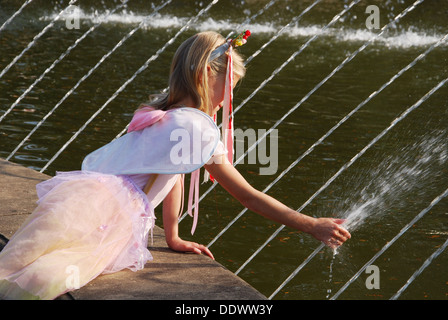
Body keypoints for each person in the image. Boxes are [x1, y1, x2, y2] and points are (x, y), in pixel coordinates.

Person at [0, 31, 350, 300]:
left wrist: (172, 236)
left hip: (80, 200)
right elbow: (247, 196)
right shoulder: (195, 126)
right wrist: (310, 224)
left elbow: (172, 174)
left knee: (17, 266)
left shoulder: (165, 115)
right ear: (204, 76)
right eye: (228, 87)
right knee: (43, 279)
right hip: (105, 216)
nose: (229, 98)